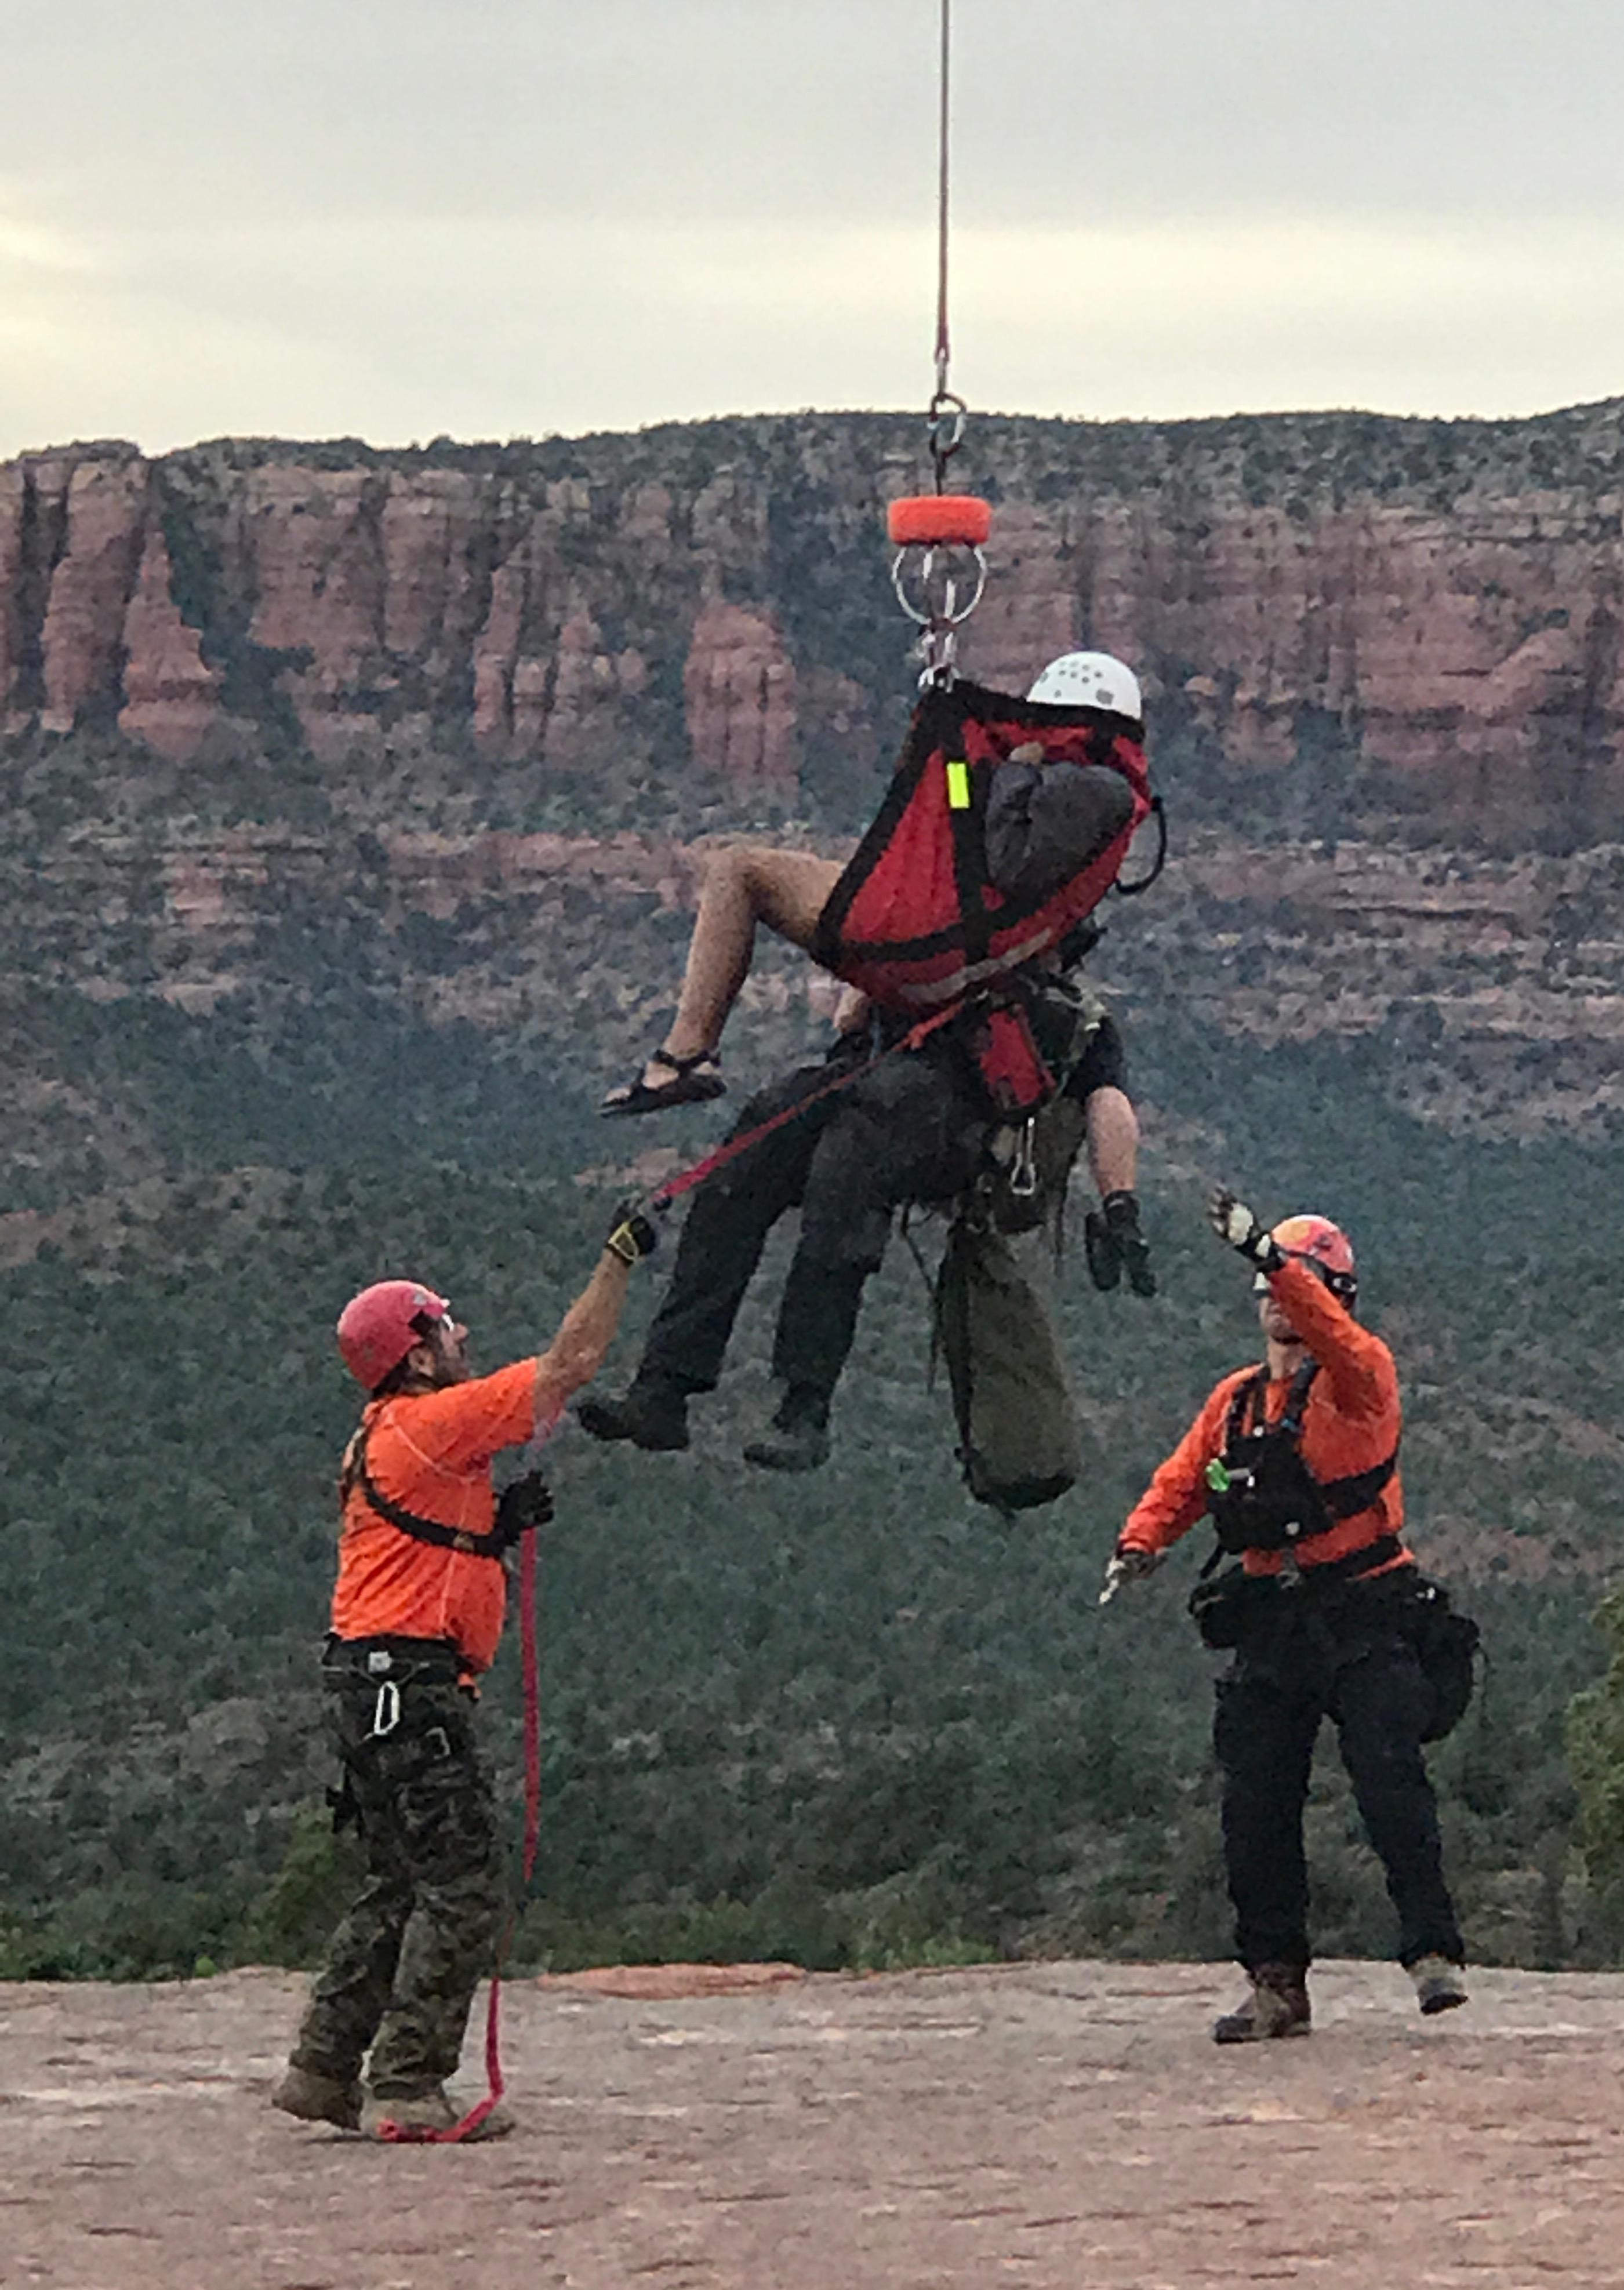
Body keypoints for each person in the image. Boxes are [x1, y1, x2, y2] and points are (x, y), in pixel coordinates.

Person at [271, 1206, 655, 2142]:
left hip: (365, 1681)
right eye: (444, 1324)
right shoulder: (434, 1425)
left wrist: (489, 1532)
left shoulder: (383, 1438)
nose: (461, 1333)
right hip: (410, 1685)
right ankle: (405, 2082)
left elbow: (413, 1547)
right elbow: (568, 1368)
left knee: (396, 1877)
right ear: (415, 1354)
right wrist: (618, 1259)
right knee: (461, 1879)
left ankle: (324, 2065)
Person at [1104, 1188, 1467, 2044]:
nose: (1275, 1304)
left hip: (1367, 1607)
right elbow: (1186, 1479)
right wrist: (1141, 1543)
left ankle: (1432, 1954)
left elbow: (1333, 1334)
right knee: (1255, 1802)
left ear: (1330, 1297)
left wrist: (1273, 1257)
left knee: (1388, 1779)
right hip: (1274, 1617)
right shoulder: (1235, 1402)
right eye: (1266, 1294)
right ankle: (1275, 1984)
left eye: (1292, 1291)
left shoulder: (1362, 1378)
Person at [580, 935, 1153, 1473]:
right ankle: (663, 1387)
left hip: (945, 1126)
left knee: (848, 1170)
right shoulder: (937, 954)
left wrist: (1119, 1203)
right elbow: (851, 1019)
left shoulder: (1068, 1016)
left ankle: (805, 1407)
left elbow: (1108, 1101)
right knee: (748, 1155)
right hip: (867, 1084)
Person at [601, 650, 1143, 1114]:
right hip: (956, 932)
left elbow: (1009, 863)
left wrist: (1017, 768)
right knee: (831, 879)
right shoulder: (1103, 798)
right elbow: (982, 836)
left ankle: (687, 1053)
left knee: (738, 871)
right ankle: (847, 1032)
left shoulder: (1091, 786)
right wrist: (958, 756)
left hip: (941, 937)